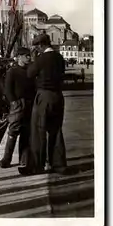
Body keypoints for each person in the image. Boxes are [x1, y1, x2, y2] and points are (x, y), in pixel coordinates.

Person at [26, 33, 67, 175]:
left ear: (41, 45)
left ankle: (38, 165)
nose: (36, 49)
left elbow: (30, 74)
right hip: (58, 96)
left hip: (44, 96)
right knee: (56, 130)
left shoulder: (41, 59)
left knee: (38, 130)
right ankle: (58, 164)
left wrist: (33, 59)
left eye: (37, 47)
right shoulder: (59, 58)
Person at [0, 47, 36, 171]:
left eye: (29, 56)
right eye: (26, 56)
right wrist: (14, 102)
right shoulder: (12, 71)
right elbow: (7, 89)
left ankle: (24, 160)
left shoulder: (30, 71)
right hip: (18, 104)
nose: (29, 58)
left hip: (30, 103)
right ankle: (6, 159)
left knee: (26, 132)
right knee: (13, 131)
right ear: (19, 57)